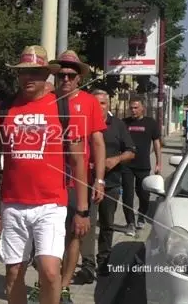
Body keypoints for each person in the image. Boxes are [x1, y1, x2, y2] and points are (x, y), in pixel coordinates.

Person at [0, 45, 92, 304]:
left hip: (51, 204)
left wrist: (82, 209)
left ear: (46, 74)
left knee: (50, 271)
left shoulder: (63, 107)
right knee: (13, 273)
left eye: (36, 72)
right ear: (17, 75)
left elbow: (78, 162)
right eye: (24, 72)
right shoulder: (2, 110)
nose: (29, 77)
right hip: (13, 204)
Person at [46, 50, 107, 303]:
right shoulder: (45, 100)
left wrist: (99, 180)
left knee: (75, 235)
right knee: (49, 238)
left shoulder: (89, 102)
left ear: (79, 78)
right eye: (61, 75)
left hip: (77, 182)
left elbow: (98, 143)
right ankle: (49, 282)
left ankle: (63, 286)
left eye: (71, 75)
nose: (66, 79)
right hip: (49, 180)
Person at [74, 89, 136, 283]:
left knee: (107, 224)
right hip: (85, 184)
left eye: (103, 103)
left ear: (108, 105)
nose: (99, 107)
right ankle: (87, 265)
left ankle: (104, 261)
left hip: (110, 184)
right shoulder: (82, 121)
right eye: (96, 103)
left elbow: (131, 151)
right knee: (87, 225)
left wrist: (115, 160)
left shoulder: (118, 125)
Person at [121, 96, 161, 236]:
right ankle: (130, 223)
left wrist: (158, 162)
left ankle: (142, 216)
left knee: (144, 194)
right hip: (126, 165)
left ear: (142, 108)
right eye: (131, 108)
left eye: (136, 107)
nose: (133, 110)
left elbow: (156, 143)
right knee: (127, 195)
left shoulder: (150, 123)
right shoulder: (124, 123)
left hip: (143, 165)